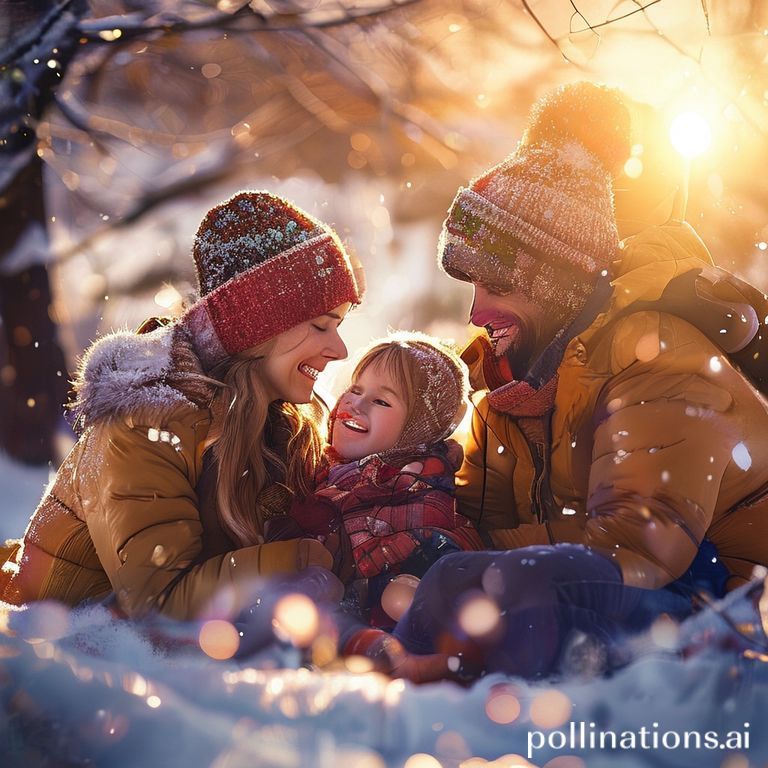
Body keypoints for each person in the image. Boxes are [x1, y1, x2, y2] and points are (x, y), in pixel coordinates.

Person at [392, 81, 768, 679]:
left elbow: (641, 540)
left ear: (552, 283)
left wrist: (478, 555)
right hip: (611, 585)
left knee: (521, 581)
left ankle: (509, 732)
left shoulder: (656, 351)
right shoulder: (508, 389)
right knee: (451, 576)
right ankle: (388, 698)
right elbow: (479, 526)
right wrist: (409, 522)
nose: (475, 312)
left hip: (721, 604)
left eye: (495, 286)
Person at [0, 191, 365, 620]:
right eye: (321, 325)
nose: (339, 349)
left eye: (339, 326)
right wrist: (303, 557)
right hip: (52, 651)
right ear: (259, 326)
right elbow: (160, 604)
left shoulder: (277, 424)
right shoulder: (145, 422)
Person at [265, 332, 482, 629]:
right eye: (355, 390)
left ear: (419, 428)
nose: (355, 404)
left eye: (381, 401)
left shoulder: (418, 495)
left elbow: (441, 558)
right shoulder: (314, 469)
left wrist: (399, 589)